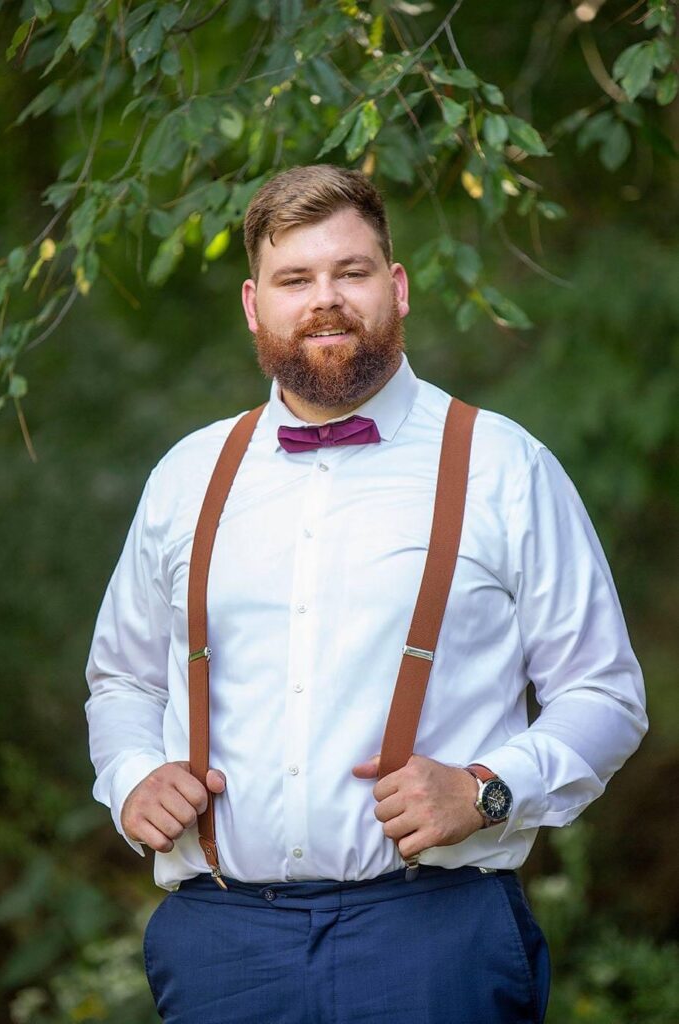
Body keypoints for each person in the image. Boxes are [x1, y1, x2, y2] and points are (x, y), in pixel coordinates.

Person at [85, 164, 647, 1024]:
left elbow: (604, 694)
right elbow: (122, 679)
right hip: (220, 946)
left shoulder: (505, 466)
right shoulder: (189, 477)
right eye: (295, 279)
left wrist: (486, 788)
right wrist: (132, 774)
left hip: (436, 942)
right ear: (252, 304)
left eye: (350, 272)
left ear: (397, 287)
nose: (326, 299)